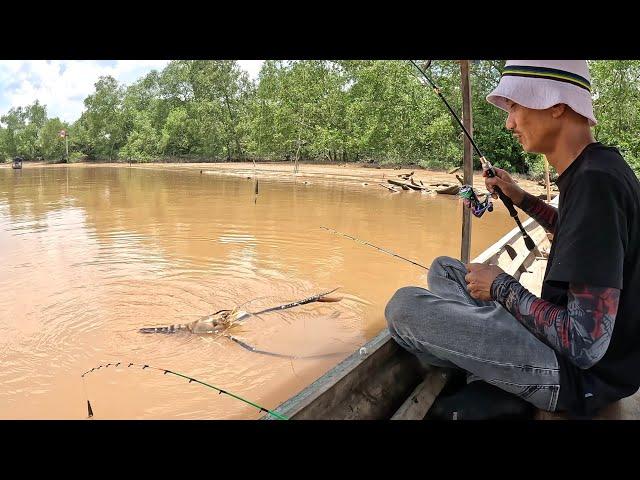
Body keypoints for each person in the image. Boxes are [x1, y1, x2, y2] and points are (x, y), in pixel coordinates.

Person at [385, 60, 640, 419]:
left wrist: (502, 287)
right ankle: (488, 352)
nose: (509, 122)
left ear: (557, 106)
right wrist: (519, 195)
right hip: (568, 351)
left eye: (516, 106)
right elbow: (573, 231)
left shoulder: (595, 184)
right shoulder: (596, 168)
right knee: (446, 270)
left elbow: (585, 345)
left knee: (404, 307)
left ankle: (489, 372)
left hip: (577, 376)